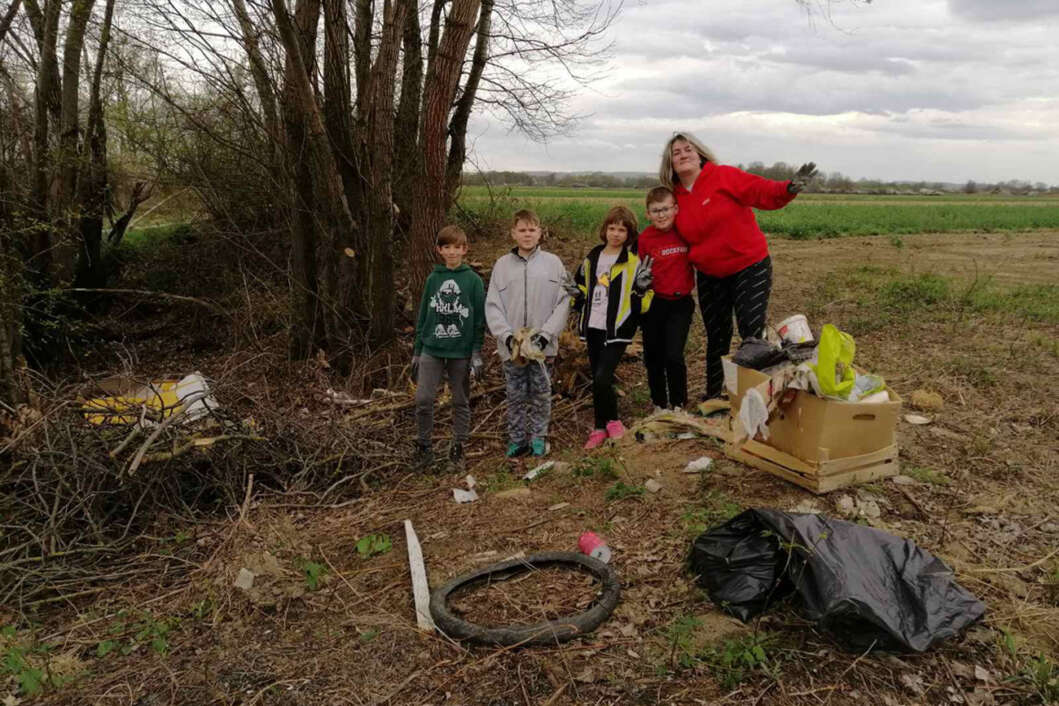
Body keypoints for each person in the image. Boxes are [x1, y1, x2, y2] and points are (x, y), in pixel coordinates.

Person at [660, 131, 816, 400]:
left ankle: (755, 396)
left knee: (751, 337)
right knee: (717, 339)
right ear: (670, 163)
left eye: (688, 149)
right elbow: (662, 229)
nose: (683, 154)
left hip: (749, 266)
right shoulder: (674, 198)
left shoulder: (723, 176)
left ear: (700, 155)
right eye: (676, 152)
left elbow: (760, 190)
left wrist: (788, 188)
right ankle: (714, 398)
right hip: (710, 275)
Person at [485, 209, 571, 458]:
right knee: (515, 393)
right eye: (522, 230)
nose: (527, 234)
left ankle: (538, 437)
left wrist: (546, 335)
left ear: (540, 233)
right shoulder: (502, 265)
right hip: (513, 348)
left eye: (532, 229)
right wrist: (507, 336)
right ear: (513, 233)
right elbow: (493, 305)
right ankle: (517, 439)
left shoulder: (553, 264)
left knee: (541, 392)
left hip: (542, 346)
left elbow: (563, 301)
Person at [572, 205, 654, 449]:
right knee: (598, 378)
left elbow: (644, 303)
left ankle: (615, 422)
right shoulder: (592, 258)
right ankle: (599, 427)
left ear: (629, 234)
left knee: (602, 377)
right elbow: (582, 289)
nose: (616, 234)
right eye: (612, 228)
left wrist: (640, 288)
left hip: (618, 329)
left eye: (622, 230)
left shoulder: (632, 262)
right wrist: (576, 294)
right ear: (605, 230)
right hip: (593, 326)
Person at [411, 225, 486, 472]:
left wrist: (476, 352)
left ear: (464, 249)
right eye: (447, 247)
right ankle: (424, 447)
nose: (452, 252)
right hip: (432, 348)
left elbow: (478, 320)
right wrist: (417, 350)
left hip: (460, 351)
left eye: (457, 247)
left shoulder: (473, 281)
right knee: (423, 399)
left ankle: (458, 447)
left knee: (460, 400)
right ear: (439, 250)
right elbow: (423, 316)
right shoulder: (434, 279)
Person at [636, 185, 695, 412]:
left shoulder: (685, 232)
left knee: (674, 355)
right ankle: (659, 403)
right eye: (655, 210)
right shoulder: (645, 239)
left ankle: (679, 402)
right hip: (654, 303)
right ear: (648, 214)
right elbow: (637, 269)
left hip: (680, 303)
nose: (661, 215)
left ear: (676, 209)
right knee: (653, 356)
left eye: (665, 209)